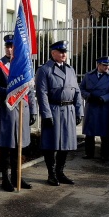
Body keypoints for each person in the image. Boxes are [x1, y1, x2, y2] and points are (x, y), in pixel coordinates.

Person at [0, 34, 37, 192]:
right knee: (6, 147)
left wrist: (33, 111)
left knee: (19, 146)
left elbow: (30, 89)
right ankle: (5, 179)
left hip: (23, 110)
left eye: (13, 46)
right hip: (7, 110)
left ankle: (17, 177)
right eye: (8, 46)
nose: (10, 49)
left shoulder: (24, 65)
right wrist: (10, 92)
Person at [35, 40, 83, 186]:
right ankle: (51, 174)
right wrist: (46, 114)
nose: (63, 54)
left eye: (65, 52)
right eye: (60, 51)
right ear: (53, 53)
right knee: (51, 144)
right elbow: (41, 93)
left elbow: (77, 91)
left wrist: (79, 111)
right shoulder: (45, 70)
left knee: (66, 144)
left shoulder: (70, 69)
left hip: (68, 110)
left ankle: (60, 172)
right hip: (54, 109)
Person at [80, 56, 109, 161]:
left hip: (103, 107)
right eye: (104, 65)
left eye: (108, 65)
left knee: (104, 132)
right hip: (91, 105)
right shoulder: (88, 75)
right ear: (98, 65)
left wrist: (104, 98)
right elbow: (81, 88)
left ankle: (104, 154)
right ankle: (89, 153)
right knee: (89, 132)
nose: (107, 67)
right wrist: (88, 95)